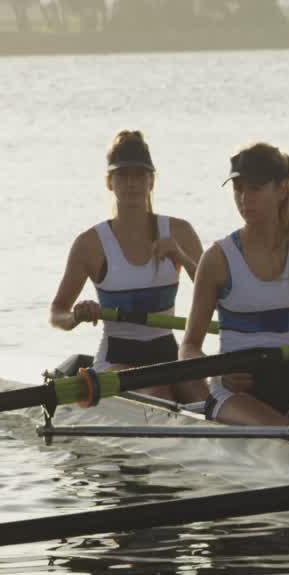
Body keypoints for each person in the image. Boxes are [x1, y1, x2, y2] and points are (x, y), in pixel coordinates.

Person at [180, 142, 289, 428]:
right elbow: (189, 346)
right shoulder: (218, 259)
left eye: (255, 188)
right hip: (235, 389)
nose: (244, 198)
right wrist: (217, 374)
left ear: (282, 190)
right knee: (285, 435)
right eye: (238, 189)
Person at [49, 130, 206, 402]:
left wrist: (180, 256)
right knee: (159, 393)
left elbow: (216, 293)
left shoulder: (180, 232)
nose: (132, 183)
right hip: (116, 360)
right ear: (110, 182)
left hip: (167, 352)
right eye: (123, 176)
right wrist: (76, 316)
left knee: (200, 394)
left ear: (151, 181)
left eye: (139, 175)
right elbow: (56, 313)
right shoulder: (90, 244)